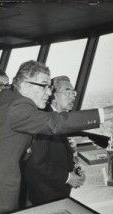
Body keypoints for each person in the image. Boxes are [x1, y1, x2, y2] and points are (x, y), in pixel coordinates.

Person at [0, 60, 113, 214]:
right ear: (25, 86)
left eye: (49, 87)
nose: (49, 93)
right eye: (44, 85)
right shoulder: (17, 107)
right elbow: (55, 124)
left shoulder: (7, 97)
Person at [25, 76, 86, 206]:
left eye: (73, 93)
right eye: (67, 92)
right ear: (53, 95)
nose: (73, 97)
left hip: (55, 187)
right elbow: (38, 164)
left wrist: (74, 167)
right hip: (47, 195)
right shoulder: (44, 121)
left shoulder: (57, 117)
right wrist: (68, 178)